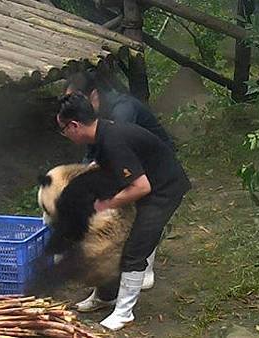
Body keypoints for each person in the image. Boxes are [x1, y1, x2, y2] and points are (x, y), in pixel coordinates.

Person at [56, 92, 190, 331]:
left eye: (63, 130)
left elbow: (141, 187)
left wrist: (106, 204)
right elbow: (101, 165)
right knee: (110, 244)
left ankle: (124, 312)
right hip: (145, 180)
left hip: (163, 189)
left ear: (74, 125)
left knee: (134, 250)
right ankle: (106, 295)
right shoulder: (100, 134)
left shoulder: (113, 140)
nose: (64, 135)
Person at [65, 71, 173, 311]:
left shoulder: (121, 111)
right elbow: (94, 154)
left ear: (93, 96)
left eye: (75, 102)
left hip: (152, 169)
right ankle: (105, 292)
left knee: (138, 222)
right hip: (128, 164)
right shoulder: (93, 117)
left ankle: (141, 271)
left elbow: (121, 155)